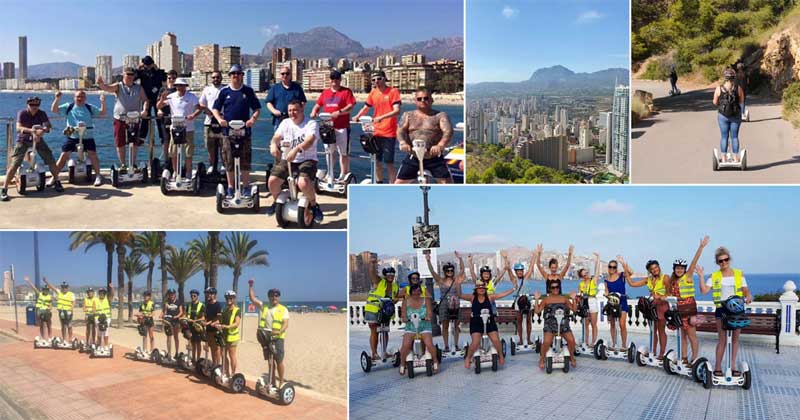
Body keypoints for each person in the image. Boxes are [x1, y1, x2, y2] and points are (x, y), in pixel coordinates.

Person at [697, 246, 753, 377]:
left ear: (729, 259)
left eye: (726, 260)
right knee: (722, 339)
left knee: (735, 339)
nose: (723, 263)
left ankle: (733, 366)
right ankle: (717, 367)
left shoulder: (739, 274)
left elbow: (745, 290)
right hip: (721, 310)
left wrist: (749, 296)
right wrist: (700, 277)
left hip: (737, 310)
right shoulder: (714, 276)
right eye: (720, 261)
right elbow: (704, 291)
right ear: (717, 262)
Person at [266, 99, 324, 223]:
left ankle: (314, 205)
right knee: (272, 181)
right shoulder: (285, 122)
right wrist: (273, 145)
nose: (292, 113)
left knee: (302, 183)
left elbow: (309, 140)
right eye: (290, 110)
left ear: (302, 110)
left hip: (307, 159)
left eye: (295, 110)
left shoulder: (311, 124)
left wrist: (296, 149)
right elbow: (276, 137)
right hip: (288, 160)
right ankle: (277, 202)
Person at [211, 64, 261, 198]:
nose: (236, 76)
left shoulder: (248, 91)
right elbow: (215, 108)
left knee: (245, 160)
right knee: (229, 160)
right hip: (228, 131)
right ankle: (231, 187)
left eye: (239, 74)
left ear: (242, 76)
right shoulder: (224, 92)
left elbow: (257, 109)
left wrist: (252, 120)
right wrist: (219, 119)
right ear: (230, 76)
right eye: (233, 74)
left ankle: (245, 187)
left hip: (244, 131)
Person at [1, 97, 62, 201]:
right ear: (27, 105)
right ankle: (4, 189)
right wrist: (32, 131)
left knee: (50, 159)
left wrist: (43, 131)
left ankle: (57, 181)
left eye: (36, 105)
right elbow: (18, 127)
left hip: (38, 140)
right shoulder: (22, 113)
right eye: (32, 105)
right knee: (15, 163)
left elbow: (48, 126)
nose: (34, 107)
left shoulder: (42, 113)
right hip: (23, 140)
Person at [457, 271, 517, 369]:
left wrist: (513, 288)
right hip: (476, 323)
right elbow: (459, 294)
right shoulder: (472, 298)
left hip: (489, 322)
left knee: (496, 340)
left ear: (485, 289)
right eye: (479, 288)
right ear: (476, 289)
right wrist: (458, 283)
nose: (481, 289)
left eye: (483, 288)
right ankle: (468, 358)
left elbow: (502, 295)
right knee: (475, 342)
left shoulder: (490, 297)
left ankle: (501, 356)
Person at [665, 236, 709, 365]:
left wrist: (701, 247)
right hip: (678, 311)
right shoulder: (673, 281)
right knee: (682, 335)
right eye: (677, 268)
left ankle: (695, 359)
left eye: (681, 268)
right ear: (674, 269)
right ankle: (684, 358)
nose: (679, 270)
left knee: (692, 336)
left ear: (684, 269)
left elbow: (694, 262)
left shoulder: (688, 276)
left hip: (689, 310)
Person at [396, 88, 454, 184]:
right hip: (413, 157)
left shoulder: (440, 115)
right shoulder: (408, 115)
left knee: (447, 184)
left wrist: (440, 145)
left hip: (434, 158)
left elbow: (448, 131)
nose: (423, 101)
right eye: (419, 99)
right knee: (398, 184)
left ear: (431, 100)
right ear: (415, 101)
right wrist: (403, 143)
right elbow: (400, 130)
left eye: (426, 98)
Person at [50, 90, 107, 186]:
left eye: (82, 97)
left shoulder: (89, 107)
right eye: (78, 97)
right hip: (73, 136)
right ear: (74, 97)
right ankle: (54, 177)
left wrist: (103, 101)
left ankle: (98, 176)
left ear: (85, 98)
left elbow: (102, 113)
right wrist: (57, 99)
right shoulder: (69, 106)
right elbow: (54, 110)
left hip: (87, 136)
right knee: (64, 155)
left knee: (92, 154)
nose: (80, 99)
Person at [353, 70, 401, 183]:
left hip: (389, 133)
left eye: (379, 79)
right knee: (377, 161)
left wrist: (382, 117)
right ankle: (379, 184)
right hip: (376, 132)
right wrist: (357, 116)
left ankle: (392, 187)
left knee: (389, 162)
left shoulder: (393, 92)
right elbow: (366, 107)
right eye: (373, 80)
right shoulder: (373, 93)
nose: (376, 81)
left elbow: (397, 111)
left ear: (384, 78)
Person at [97, 68, 149, 170]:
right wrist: (101, 84)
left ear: (134, 76)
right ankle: (123, 165)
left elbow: (145, 100)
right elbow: (108, 88)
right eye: (127, 74)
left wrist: (145, 110)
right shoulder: (119, 86)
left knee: (134, 142)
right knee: (120, 142)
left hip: (134, 119)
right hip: (120, 118)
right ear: (123, 75)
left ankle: (133, 164)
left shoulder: (139, 88)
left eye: (131, 74)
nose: (129, 76)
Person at [310, 70, 356, 181]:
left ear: (340, 80)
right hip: (328, 128)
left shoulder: (346, 92)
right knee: (329, 152)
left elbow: (351, 106)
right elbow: (318, 104)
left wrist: (339, 112)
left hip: (342, 127)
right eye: (332, 79)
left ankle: (343, 174)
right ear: (330, 80)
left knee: (343, 152)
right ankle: (330, 173)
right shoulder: (325, 93)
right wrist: (314, 112)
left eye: (336, 79)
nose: (334, 81)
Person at [157, 77, 201, 178]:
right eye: (177, 85)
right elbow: (159, 106)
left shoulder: (191, 97)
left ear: (185, 86)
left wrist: (193, 115)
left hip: (188, 128)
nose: (179, 87)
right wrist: (162, 100)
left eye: (181, 85)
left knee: (188, 152)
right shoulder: (171, 96)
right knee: (173, 152)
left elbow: (199, 108)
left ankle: (188, 172)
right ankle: (176, 172)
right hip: (175, 128)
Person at [248, 279, 290, 387]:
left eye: (276, 295)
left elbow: (286, 323)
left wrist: (279, 331)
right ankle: (272, 382)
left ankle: (281, 381)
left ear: (278, 297)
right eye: (271, 295)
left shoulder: (283, 309)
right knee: (270, 362)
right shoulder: (265, 306)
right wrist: (251, 286)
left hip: (278, 338)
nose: (274, 297)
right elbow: (252, 299)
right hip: (266, 338)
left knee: (278, 361)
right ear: (269, 297)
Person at [425, 251, 466, 352]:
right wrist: (428, 261)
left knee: (456, 325)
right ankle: (446, 346)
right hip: (444, 304)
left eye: (451, 271)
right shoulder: (440, 280)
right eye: (448, 271)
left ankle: (456, 345)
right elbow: (432, 271)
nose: (450, 272)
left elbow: (462, 270)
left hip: (455, 303)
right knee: (445, 326)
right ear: (445, 272)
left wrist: (460, 259)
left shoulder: (456, 280)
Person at [629, 260, 669, 360]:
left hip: (662, 306)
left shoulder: (665, 277)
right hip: (651, 306)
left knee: (661, 331)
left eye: (656, 267)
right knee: (652, 330)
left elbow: (669, 292)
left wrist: (660, 296)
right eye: (652, 269)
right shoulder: (648, 280)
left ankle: (662, 354)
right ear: (649, 271)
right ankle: (653, 351)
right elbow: (632, 284)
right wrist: (626, 272)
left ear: (659, 267)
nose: (654, 270)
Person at [533, 286, 578, 369]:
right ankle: (542, 359)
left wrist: (573, 299)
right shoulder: (546, 299)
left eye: (557, 287)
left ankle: (571, 356)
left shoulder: (564, 299)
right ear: (550, 289)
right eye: (553, 287)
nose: (555, 289)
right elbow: (537, 311)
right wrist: (536, 300)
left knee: (571, 340)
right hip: (550, 325)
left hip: (563, 324)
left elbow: (574, 310)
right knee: (546, 342)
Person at [399, 283, 439, 375]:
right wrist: (404, 318)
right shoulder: (406, 301)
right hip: (411, 327)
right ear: (411, 292)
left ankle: (435, 361)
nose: (416, 293)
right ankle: (402, 363)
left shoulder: (426, 300)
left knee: (429, 344)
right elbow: (403, 315)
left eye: (418, 291)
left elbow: (429, 312)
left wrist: (428, 316)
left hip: (424, 326)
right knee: (405, 345)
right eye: (414, 291)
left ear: (421, 292)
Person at [365, 255, 399, 360]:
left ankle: (384, 351)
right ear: (385, 275)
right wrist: (372, 263)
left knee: (384, 331)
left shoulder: (395, 286)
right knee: (374, 331)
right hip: (373, 310)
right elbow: (372, 274)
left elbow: (395, 297)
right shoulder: (379, 281)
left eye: (392, 274)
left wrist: (396, 300)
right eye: (389, 274)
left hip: (385, 312)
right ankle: (374, 353)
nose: (391, 276)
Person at [135, 56, 168, 153]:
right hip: (146, 98)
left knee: (160, 117)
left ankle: (163, 137)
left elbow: (165, 77)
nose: (148, 67)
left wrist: (157, 69)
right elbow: (133, 77)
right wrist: (138, 68)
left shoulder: (158, 72)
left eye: (150, 65)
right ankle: (142, 137)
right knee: (145, 117)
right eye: (146, 65)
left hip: (157, 97)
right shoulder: (141, 72)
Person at [712, 68, 745, 163]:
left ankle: (723, 158)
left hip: (723, 116)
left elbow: (714, 102)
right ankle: (735, 158)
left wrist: (721, 104)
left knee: (724, 136)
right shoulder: (738, 88)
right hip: (735, 115)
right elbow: (742, 101)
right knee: (734, 137)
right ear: (734, 77)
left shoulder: (719, 88)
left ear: (725, 77)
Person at [604, 255, 636, 350]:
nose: (612, 268)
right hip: (612, 303)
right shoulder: (606, 280)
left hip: (622, 302)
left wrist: (623, 262)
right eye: (610, 267)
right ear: (608, 267)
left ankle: (623, 345)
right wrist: (606, 294)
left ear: (616, 268)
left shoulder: (621, 275)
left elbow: (631, 272)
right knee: (613, 324)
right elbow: (606, 291)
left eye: (614, 267)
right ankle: (614, 344)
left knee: (622, 325)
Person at [503, 252, 536, 346]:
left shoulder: (527, 277)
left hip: (527, 300)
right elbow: (508, 270)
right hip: (518, 301)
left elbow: (531, 267)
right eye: (518, 271)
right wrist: (505, 258)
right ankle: (521, 340)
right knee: (519, 321)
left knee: (529, 321)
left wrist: (534, 256)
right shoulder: (514, 279)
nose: (520, 272)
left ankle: (529, 339)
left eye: (521, 270)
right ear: (516, 272)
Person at [198, 71, 224, 174]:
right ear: (211, 79)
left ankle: (224, 166)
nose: (215, 79)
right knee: (210, 146)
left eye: (217, 77)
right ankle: (212, 166)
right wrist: (206, 110)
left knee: (224, 146)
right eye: (213, 77)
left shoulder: (225, 89)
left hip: (222, 122)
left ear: (221, 78)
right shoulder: (207, 90)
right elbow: (201, 103)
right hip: (209, 122)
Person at [266, 64, 307, 128]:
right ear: (280, 75)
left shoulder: (297, 87)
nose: (285, 75)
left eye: (287, 73)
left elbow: (303, 102)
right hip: (279, 121)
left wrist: (299, 111)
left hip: (295, 120)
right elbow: (269, 103)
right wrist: (274, 111)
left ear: (290, 75)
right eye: (283, 73)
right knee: (278, 137)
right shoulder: (274, 88)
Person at [214, 290, 242, 379]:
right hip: (224, 336)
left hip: (233, 337)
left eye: (230, 298)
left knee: (231, 355)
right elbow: (220, 320)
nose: (228, 299)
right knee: (223, 354)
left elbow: (237, 323)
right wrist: (216, 323)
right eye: (227, 298)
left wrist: (226, 326)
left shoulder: (237, 310)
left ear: (233, 299)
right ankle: (226, 371)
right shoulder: (224, 309)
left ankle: (233, 374)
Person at [576, 253, 601, 347]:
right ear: (582, 276)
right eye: (584, 274)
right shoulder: (581, 284)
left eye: (587, 273)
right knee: (586, 323)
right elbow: (579, 295)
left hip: (593, 301)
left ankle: (594, 342)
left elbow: (597, 271)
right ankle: (585, 341)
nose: (587, 275)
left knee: (594, 324)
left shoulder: (593, 280)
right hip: (585, 302)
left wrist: (598, 259)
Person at [42, 276, 75, 343]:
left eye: (65, 287)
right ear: (61, 287)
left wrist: (71, 309)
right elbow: (52, 287)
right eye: (63, 287)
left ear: (67, 287)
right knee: (63, 326)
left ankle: (70, 338)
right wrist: (46, 281)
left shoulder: (71, 294)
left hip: (68, 312)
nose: (64, 288)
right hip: (61, 312)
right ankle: (64, 339)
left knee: (69, 326)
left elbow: (74, 302)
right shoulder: (59, 292)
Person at [24, 276, 53, 340]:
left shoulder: (50, 296)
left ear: (48, 290)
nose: (45, 291)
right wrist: (28, 281)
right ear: (43, 290)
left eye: (47, 290)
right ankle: (43, 337)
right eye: (44, 290)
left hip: (47, 311)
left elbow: (50, 304)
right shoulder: (40, 294)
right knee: (41, 325)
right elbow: (34, 288)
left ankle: (50, 337)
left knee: (49, 325)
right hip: (40, 311)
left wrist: (50, 308)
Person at [182, 289, 205, 363]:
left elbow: (203, 317)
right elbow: (185, 314)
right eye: (191, 296)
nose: (193, 297)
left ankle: (198, 359)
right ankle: (194, 358)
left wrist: (195, 321)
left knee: (198, 343)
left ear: (197, 296)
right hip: (190, 326)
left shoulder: (201, 305)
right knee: (192, 343)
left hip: (198, 327)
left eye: (194, 296)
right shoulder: (189, 305)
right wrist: (185, 318)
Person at [203, 287, 224, 368]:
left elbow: (218, 318)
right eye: (207, 293)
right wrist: (204, 322)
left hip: (215, 330)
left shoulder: (218, 305)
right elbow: (207, 317)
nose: (207, 295)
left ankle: (218, 365)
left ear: (214, 295)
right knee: (211, 347)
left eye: (209, 293)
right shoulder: (207, 305)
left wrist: (209, 323)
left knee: (217, 348)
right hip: (208, 330)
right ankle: (214, 363)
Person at [162, 288, 183, 359]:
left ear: (175, 294)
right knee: (168, 337)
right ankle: (169, 353)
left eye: (173, 294)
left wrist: (177, 316)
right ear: (168, 295)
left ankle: (177, 353)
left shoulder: (178, 302)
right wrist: (163, 316)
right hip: (168, 321)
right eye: (170, 294)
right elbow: (164, 312)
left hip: (176, 321)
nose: (172, 295)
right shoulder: (167, 302)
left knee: (176, 337)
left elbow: (181, 312)